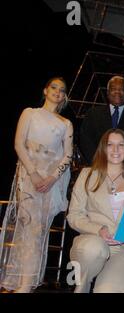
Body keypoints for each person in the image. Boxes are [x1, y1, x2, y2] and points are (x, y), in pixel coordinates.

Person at [0, 77, 73, 293]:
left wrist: (51, 178)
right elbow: (18, 144)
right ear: (45, 90)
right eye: (54, 87)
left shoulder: (65, 123)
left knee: (39, 231)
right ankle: (23, 282)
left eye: (62, 90)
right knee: (27, 227)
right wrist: (33, 174)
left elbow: (67, 155)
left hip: (51, 182)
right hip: (29, 177)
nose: (57, 92)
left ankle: (28, 282)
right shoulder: (29, 113)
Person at [67, 129, 124, 293]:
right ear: (103, 149)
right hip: (92, 241)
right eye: (110, 145)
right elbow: (74, 215)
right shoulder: (87, 175)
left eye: (120, 145)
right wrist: (98, 229)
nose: (115, 150)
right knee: (95, 248)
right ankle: (82, 287)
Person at [79, 75, 124, 170]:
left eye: (121, 89)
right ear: (107, 93)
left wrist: (123, 168)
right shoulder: (92, 114)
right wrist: (99, 164)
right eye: (113, 89)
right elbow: (85, 141)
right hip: (98, 168)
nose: (117, 92)